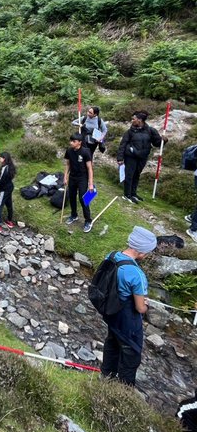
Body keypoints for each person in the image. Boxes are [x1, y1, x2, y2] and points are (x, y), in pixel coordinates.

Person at [99, 225, 155, 388]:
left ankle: (105, 378)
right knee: (131, 356)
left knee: (112, 343)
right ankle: (123, 390)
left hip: (111, 313)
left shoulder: (112, 255)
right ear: (142, 252)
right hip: (127, 322)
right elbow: (140, 308)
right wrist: (146, 304)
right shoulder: (137, 275)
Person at [116, 111, 162, 203]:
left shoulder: (150, 130)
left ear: (140, 120)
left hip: (142, 157)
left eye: (133, 119)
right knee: (129, 175)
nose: (132, 120)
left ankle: (133, 193)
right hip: (130, 157)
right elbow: (122, 145)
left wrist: (163, 139)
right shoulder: (129, 132)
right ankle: (127, 195)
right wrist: (120, 158)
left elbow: (157, 143)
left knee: (136, 175)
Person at [62, 132, 95, 232]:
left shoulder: (85, 152)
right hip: (72, 177)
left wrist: (90, 184)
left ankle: (88, 220)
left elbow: (89, 168)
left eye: (73, 141)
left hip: (82, 178)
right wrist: (65, 177)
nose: (71, 143)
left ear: (79, 142)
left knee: (83, 198)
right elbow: (68, 165)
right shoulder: (69, 151)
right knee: (71, 196)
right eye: (71, 141)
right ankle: (74, 215)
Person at [0, 151, 15, 231]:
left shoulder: (4, 168)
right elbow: (5, 177)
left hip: (4, 189)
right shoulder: (10, 166)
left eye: (0, 158)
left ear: (4, 158)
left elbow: (0, 181)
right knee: (9, 204)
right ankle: (9, 221)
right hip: (10, 187)